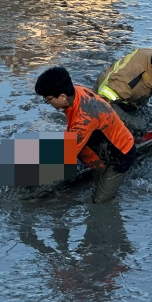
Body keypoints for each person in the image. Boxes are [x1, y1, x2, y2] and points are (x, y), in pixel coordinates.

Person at [34, 66, 137, 204]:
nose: (48, 103)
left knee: (100, 202)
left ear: (63, 97)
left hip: (120, 155)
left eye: (48, 99)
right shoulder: (76, 91)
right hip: (103, 139)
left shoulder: (84, 119)